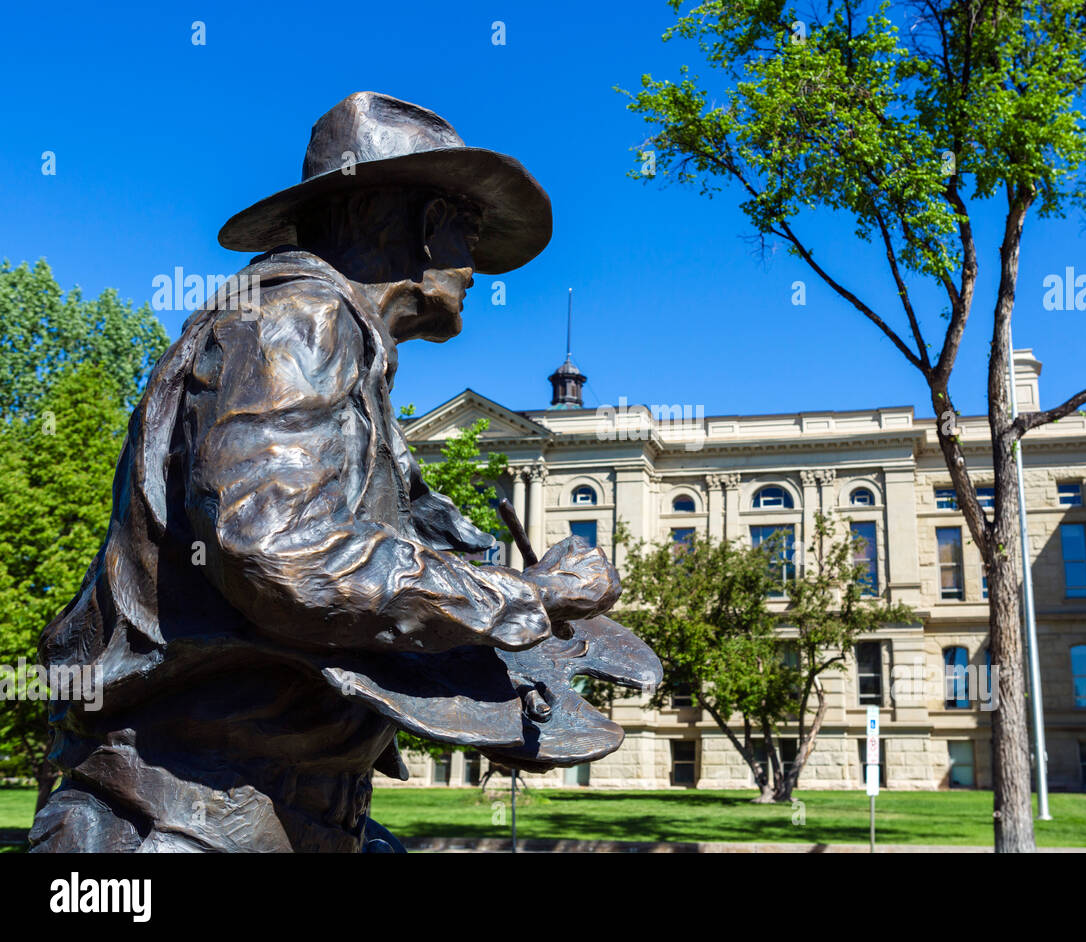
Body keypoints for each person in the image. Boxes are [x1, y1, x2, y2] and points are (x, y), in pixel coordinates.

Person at [29, 92, 658, 853]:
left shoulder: (338, 352)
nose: (475, 265)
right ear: (426, 227)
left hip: (283, 814)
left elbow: (388, 558)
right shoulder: (298, 322)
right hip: (194, 818)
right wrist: (530, 593)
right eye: (469, 230)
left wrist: (512, 645)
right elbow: (284, 555)